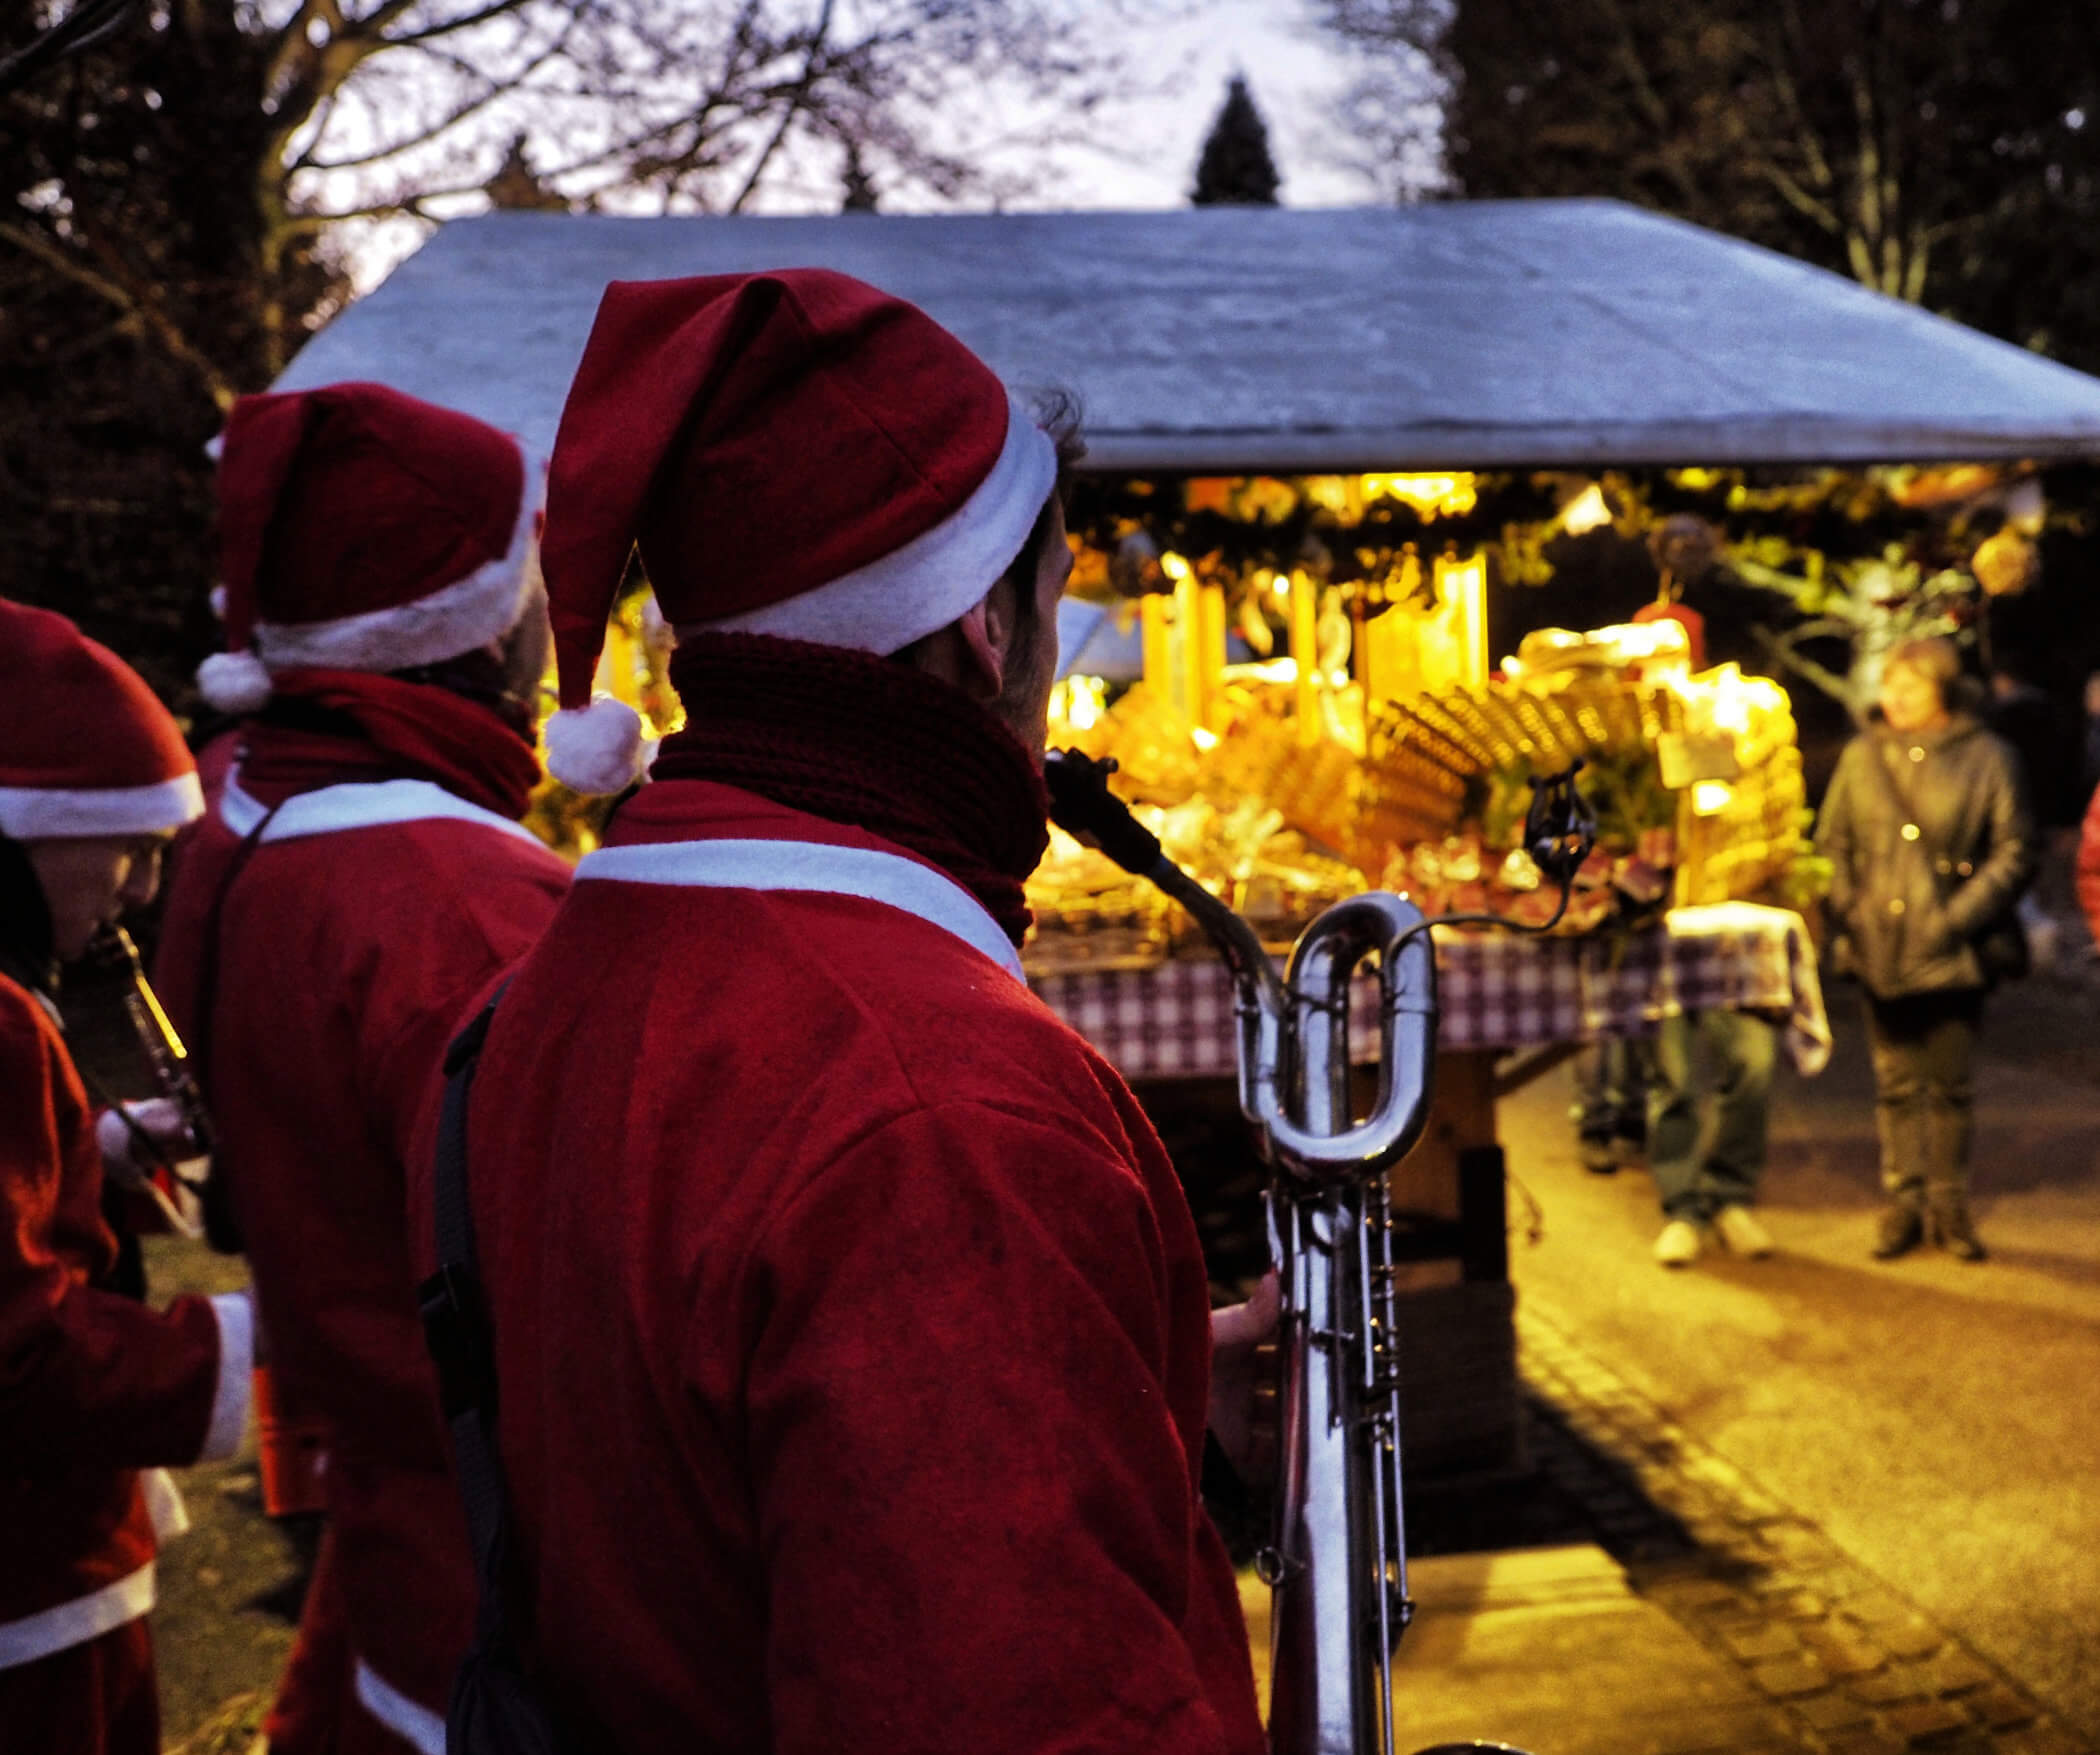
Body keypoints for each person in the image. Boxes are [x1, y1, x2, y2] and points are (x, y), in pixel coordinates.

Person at [406, 270, 1267, 1750]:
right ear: (988, 629)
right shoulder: (940, 1107)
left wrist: (1128, 1414)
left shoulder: (570, 965)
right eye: (1057, 603)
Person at [152, 383, 572, 1755]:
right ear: (478, 617)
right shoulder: (462, 899)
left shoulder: (244, 803)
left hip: (397, 1516)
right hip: (519, 1589)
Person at [0, 600, 255, 1755]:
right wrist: (250, 1347)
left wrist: (96, 1145)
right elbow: (19, 1355)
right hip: (33, 1573)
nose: (142, 889)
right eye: (126, 844)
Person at [1816, 636, 2034, 1262]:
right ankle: (1902, 1202)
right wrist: (1852, 909)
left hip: (1953, 953)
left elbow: (2015, 851)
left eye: (1910, 684)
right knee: (1894, 1084)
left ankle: (1949, 1204)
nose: (1896, 697)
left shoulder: (1990, 758)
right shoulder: (1864, 757)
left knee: (1950, 1085)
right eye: (1889, 684)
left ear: (1944, 689)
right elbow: (1831, 844)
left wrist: (1955, 919)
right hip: (1878, 947)